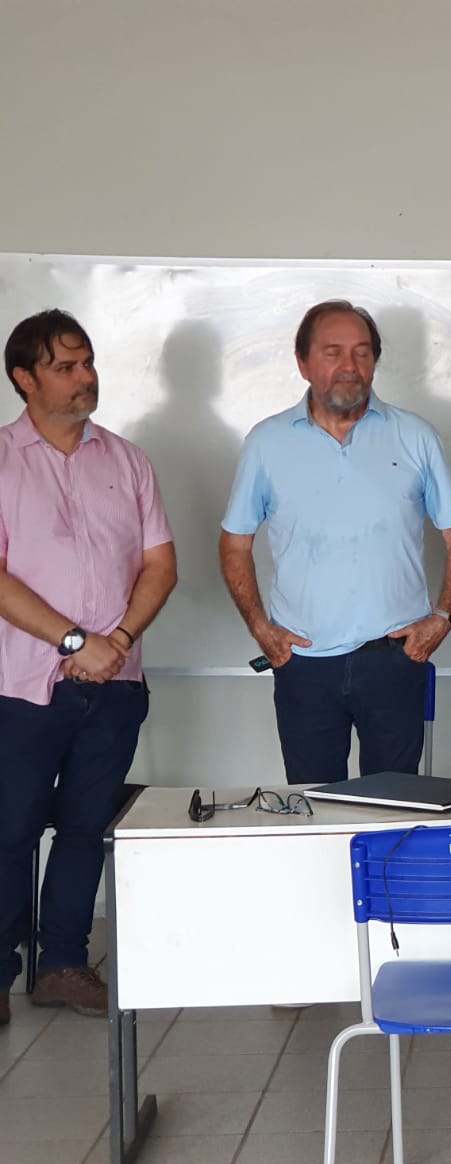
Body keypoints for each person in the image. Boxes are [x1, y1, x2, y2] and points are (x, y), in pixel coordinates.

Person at [0, 310, 177, 1021]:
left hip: (116, 684)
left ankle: (64, 965)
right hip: (21, 687)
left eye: (88, 363)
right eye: (65, 367)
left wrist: (119, 640)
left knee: (85, 828)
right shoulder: (2, 459)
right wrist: (76, 642)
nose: (85, 378)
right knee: (9, 829)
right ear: (25, 379)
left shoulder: (127, 461)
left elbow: (160, 564)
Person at [220, 300, 451, 784]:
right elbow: (234, 545)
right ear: (303, 363)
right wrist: (260, 628)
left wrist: (442, 618)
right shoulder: (266, 443)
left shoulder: (416, 436)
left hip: (395, 658)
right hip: (303, 664)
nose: (349, 366)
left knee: (394, 806)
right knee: (315, 806)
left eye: (362, 352)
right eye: (332, 352)